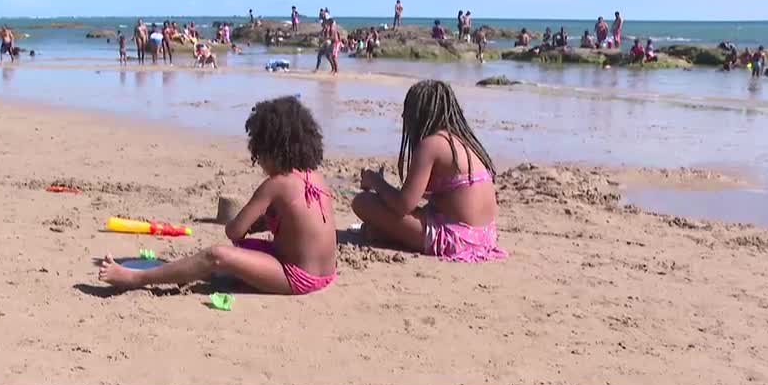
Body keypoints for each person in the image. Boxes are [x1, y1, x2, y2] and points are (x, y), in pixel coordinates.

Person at [99, 96, 337, 295]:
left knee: (217, 255)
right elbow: (299, 225)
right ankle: (182, 272)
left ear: (268, 149)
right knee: (241, 255)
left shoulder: (275, 184)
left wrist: (249, 221)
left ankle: (137, 277)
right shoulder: (314, 176)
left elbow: (234, 232)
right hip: (326, 272)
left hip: (297, 277)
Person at [351, 80, 506, 262]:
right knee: (395, 211)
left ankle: (387, 233)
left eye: (407, 112)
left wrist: (375, 181)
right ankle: (385, 233)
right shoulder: (463, 142)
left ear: (418, 114)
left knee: (363, 202)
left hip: (456, 238)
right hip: (485, 235)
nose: (403, 116)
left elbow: (403, 204)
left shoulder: (431, 145)